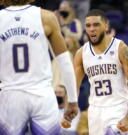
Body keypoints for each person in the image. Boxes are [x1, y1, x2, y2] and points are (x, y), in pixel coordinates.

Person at [0, 0, 78, 134]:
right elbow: (65, 62)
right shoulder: (46, 17)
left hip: (10, 96)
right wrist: (72, 100)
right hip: (42, 95)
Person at [74, 9, 128, 135]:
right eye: (88, 25)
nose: (92, 28)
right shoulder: (81, 54)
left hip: (118, 108)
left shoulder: (120, 48)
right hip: (95, 111)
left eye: (96, 24)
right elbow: (75, 86)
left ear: (106, 26)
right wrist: (70, 107)